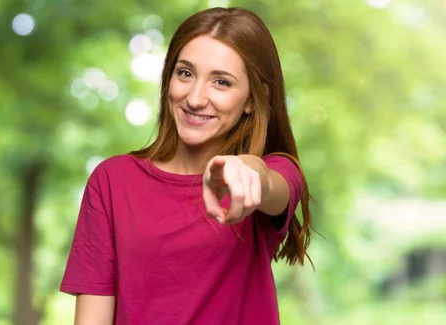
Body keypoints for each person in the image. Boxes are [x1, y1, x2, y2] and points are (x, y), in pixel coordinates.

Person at [60, 6, 313, 325]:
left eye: (221, 82)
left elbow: (268, 184)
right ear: (168, 78)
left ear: (253, 99)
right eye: (185, 73)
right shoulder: (112, 181)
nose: (195, 98)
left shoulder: (269, 176)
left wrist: (246, 168)